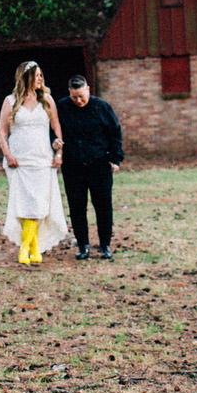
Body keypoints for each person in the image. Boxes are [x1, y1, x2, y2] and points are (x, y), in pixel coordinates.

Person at [0, 60, 67, 265]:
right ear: (25, 77)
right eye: (36, 75)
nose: (40, 79)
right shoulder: (10, 101)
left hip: (42, 159)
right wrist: (8, 154)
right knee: (24, 203)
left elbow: (57, 129)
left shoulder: (47, 100)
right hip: (19, 161)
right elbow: (2, 131)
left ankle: (28, 248)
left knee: (39, 203)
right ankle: (30, 248)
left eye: (41, 76)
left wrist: (59, 153)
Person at [55, 75, 124, 259]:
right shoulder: (61, 108)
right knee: (77, 207)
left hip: (99, 164)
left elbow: (115, 133)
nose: (78, 101)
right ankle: (83, 245)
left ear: (88, 90)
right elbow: (53, 131)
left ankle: (105, 245)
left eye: (81, 96)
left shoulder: (101, 107)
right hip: (73, 166)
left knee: (103, 206)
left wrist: (116, 159)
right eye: (74, 97)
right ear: (69, 94)